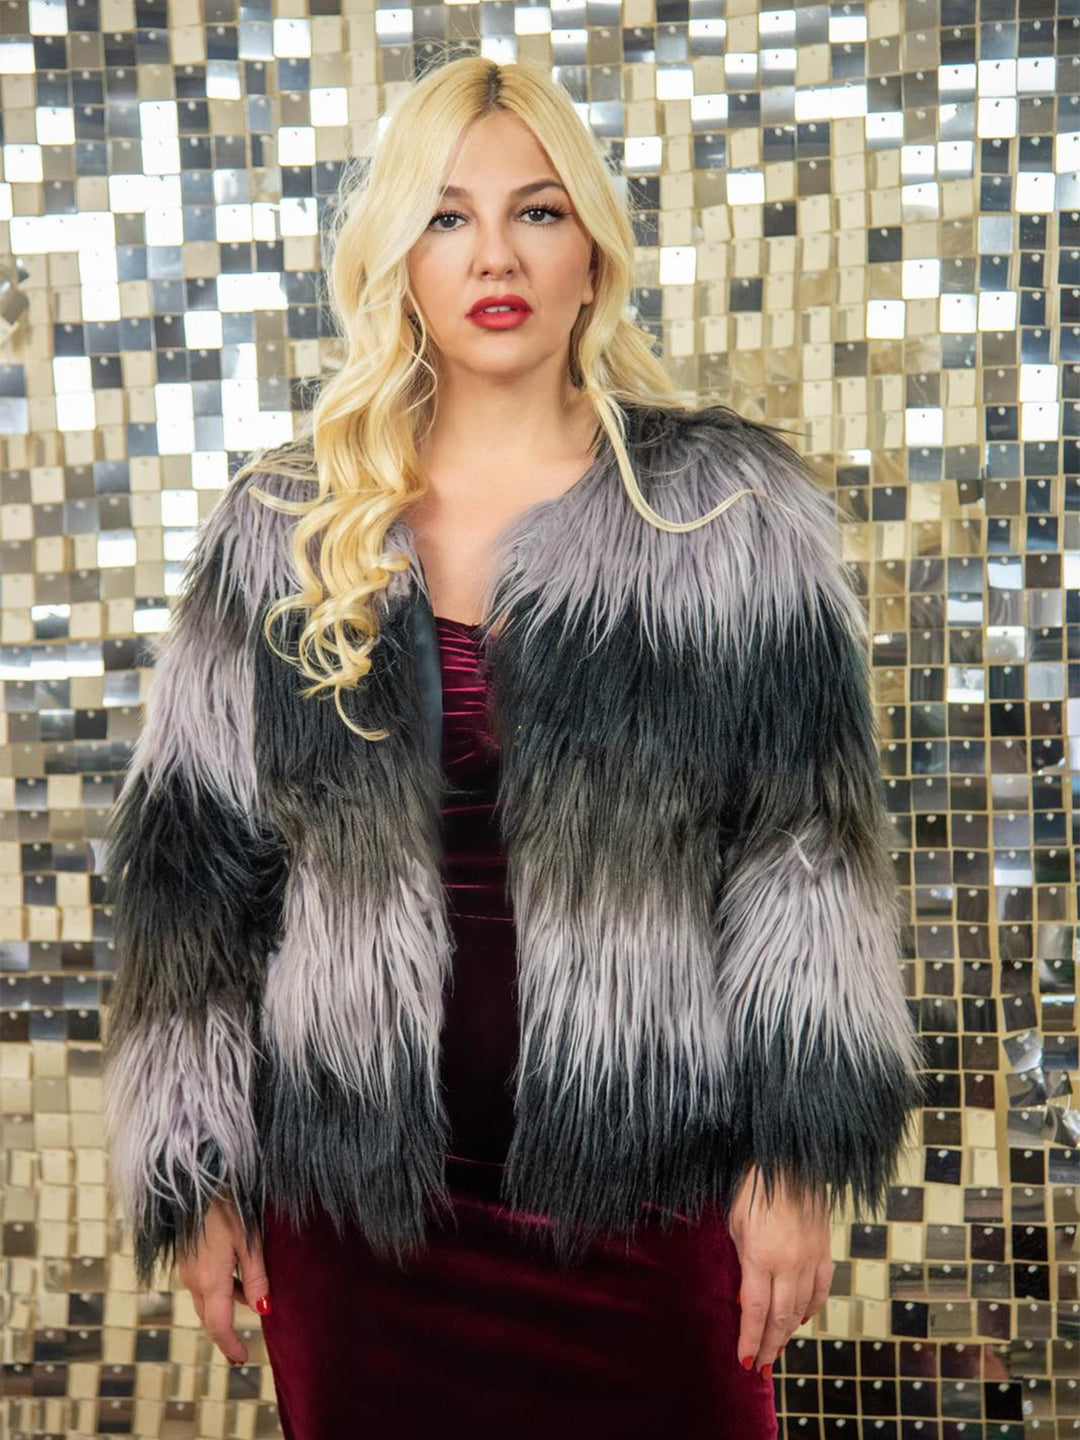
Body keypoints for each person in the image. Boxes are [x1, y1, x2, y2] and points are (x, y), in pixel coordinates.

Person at [101, 54, 926, 1440]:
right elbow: (194, 882)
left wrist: (794, 1159)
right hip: (354, 1215)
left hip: (650, 1189)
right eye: (447, 216)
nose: (496, 255)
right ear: (399, 260)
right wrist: (197, 1174)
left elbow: (806, 859)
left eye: (537, 211)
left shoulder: (727, 516)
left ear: (591, 251)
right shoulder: (283, 529)